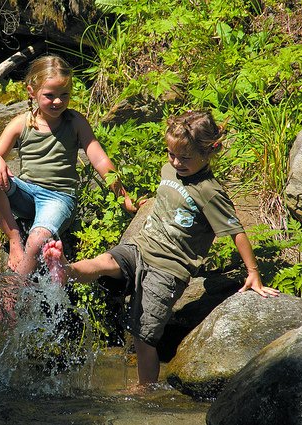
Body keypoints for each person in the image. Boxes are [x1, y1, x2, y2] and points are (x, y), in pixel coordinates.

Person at [42, 110, 280, 386]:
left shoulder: (209, 192)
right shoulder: (169, 169)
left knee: (144, 337)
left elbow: (237, 232)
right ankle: (64, 269)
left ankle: (145, 391)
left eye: (185, 158)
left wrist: (253, 273)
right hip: (141, 246)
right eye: (171, 154)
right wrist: (144, 204)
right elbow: (168, 195)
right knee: (103, 261)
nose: (176, 162)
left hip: (168, 268)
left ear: (210, 151)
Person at [0, 54, 136, 277]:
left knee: (38, 237)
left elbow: (99, 159)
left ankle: (17, 286)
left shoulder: (75, 122)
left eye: (64, 95)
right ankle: (13, 239)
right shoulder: (22, 123)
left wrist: (123, 196)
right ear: (32, 92)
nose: (58, 101)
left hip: (59, 198)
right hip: (27, 194)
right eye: (49, 96)